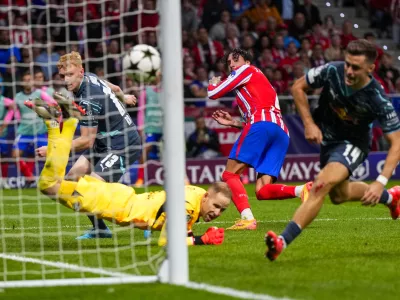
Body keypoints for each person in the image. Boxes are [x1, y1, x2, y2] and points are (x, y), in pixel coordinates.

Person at [265, 39, 400, 261]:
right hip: (329, 141)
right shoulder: (332, 71)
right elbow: (298, 86)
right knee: (339, 195)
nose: (348, 70)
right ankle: (391, 198)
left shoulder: (377, 98)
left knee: (320, 186)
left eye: (355, 67)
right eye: (347, 64)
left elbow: (397, 142)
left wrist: (380, 181)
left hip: (353, 144)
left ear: (370, 68)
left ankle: (281, 242)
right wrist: (308, 123)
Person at [26, 104, 229, 246]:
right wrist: (203, 240)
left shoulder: (196, 193)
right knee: (48, 184)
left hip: (120, 197)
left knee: (54, 183)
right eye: (217, 206)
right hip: (112, 204)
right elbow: (167, 241)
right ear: (206, 197)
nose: (217, 212)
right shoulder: (188, 206)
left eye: (222, 210)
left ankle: (63, 124)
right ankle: (60, 125)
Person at [35, 51, 141, 240]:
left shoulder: (89, 98)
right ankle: (100, 229)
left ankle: (144, 220)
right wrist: (124, 98)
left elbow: (86, 140)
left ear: (81, 72)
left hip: (122, 143)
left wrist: (53, 150)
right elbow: (115, 88)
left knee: (92, 186)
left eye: (70, 75)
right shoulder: (90, 78)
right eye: (63, 76)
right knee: (73, 179)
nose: (67, 80)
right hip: (104, 141)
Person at [208, 48, 311, 230]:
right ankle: (301, 190)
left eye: (235, 60)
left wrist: (212, 83)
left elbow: (213, 94)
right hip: (280, 131)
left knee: (230, 174)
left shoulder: (247, 70)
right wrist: (233, 122)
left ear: (247, 62)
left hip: (262, 125)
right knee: (262, 190)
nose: (231, 65)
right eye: (229, 62)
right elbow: (256, 116)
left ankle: (247, 218)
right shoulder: (259, 83)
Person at [12, 72, 49, 188]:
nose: (27, 82)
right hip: (24, 132)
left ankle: (50, 179)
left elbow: (52, 103)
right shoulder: (18, 97)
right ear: (22, 83)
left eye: (29, 79)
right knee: (15, 155)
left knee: (51, 155)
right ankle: (30, 177)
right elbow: (12, 112)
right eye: (25, 80)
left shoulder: (40, 93)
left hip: (39, 132)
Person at [0, 95, 19, 189]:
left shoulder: (4, 100)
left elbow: (14, 106)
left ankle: (3, 181)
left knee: (3, 156)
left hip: (2, 133)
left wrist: (5, 123)